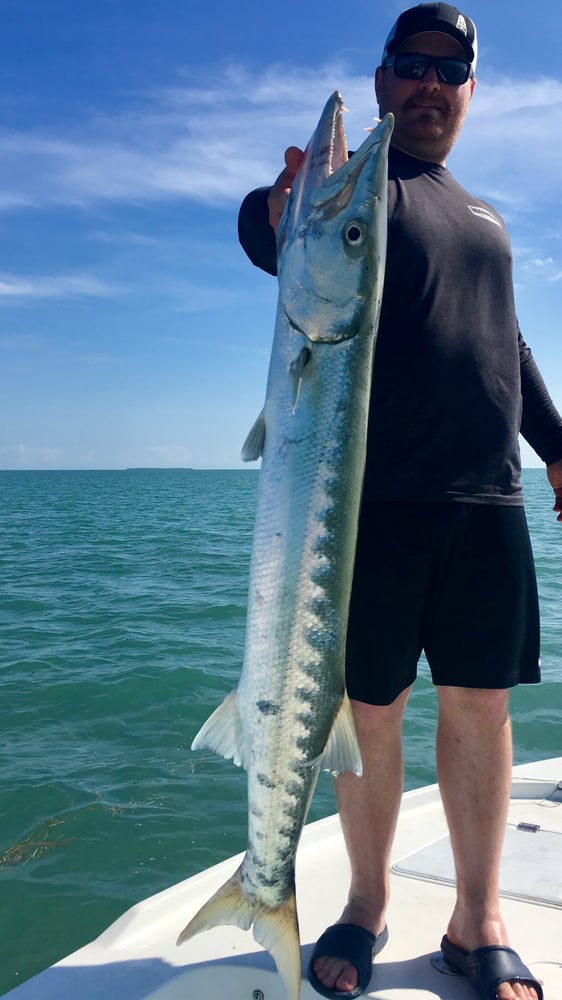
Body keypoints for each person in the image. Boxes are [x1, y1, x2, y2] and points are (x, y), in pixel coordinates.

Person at [237, 5, 562, 999]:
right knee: (368, 712)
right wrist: (278, 203)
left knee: (480, 707)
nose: (429, 84)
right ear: (384, 82)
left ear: (468, 90)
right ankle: (366, 902)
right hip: (368, 504)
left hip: (487, 500)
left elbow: (506, 343)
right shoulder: (361, 192)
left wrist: (557, 448)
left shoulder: (487, 216)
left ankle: (477, 917)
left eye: (448, 70)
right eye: (411, 66)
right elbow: (268, 232)